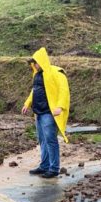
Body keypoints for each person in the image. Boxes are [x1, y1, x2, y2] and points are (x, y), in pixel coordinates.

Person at [21, 47, 70, 179]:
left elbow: (63, 90)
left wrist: (60, 106)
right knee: (42, 140)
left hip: (49, 113)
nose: (34, 65)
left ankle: (54, 168)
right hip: (38, 112)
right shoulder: (37, 75)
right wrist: (27, 103)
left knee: (50, 140)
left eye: (35, 62)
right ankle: (44, 165)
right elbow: (35, 91)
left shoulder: (56, 72)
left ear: (41, 61)